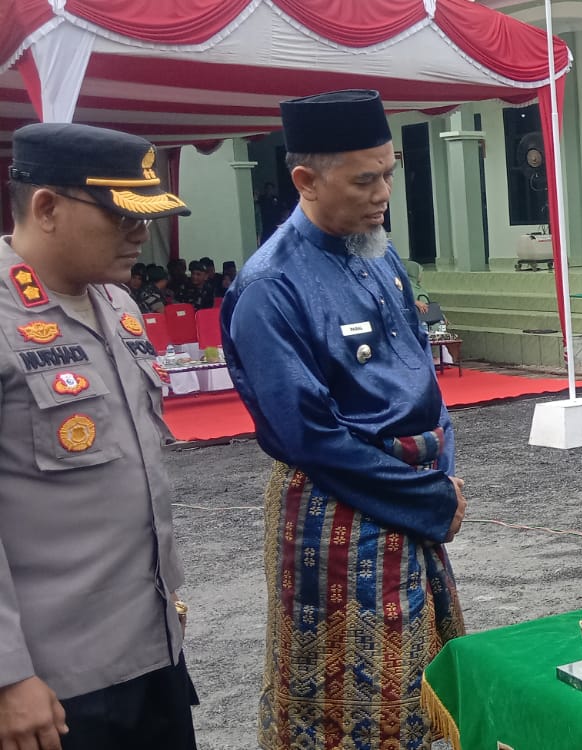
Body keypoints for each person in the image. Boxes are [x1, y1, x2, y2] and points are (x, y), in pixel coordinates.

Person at [220, 89, 467, 750]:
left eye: (388, 173)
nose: (383, 193)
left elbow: (421, 375)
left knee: (419, 684)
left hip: (408, 498)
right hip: (337, 514)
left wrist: (441, 466)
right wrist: (430, 497)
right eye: (364, 180)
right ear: (306, 180)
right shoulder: (271, 287)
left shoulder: (376, 251)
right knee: (339, 707)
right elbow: (309, 436)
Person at [0, 122, 197, 749]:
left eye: (147, 217)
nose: (140, 233)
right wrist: (8, 676)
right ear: (46, 207)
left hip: (151, 649)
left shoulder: (118, 305)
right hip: (53, 679)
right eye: (121, 215)